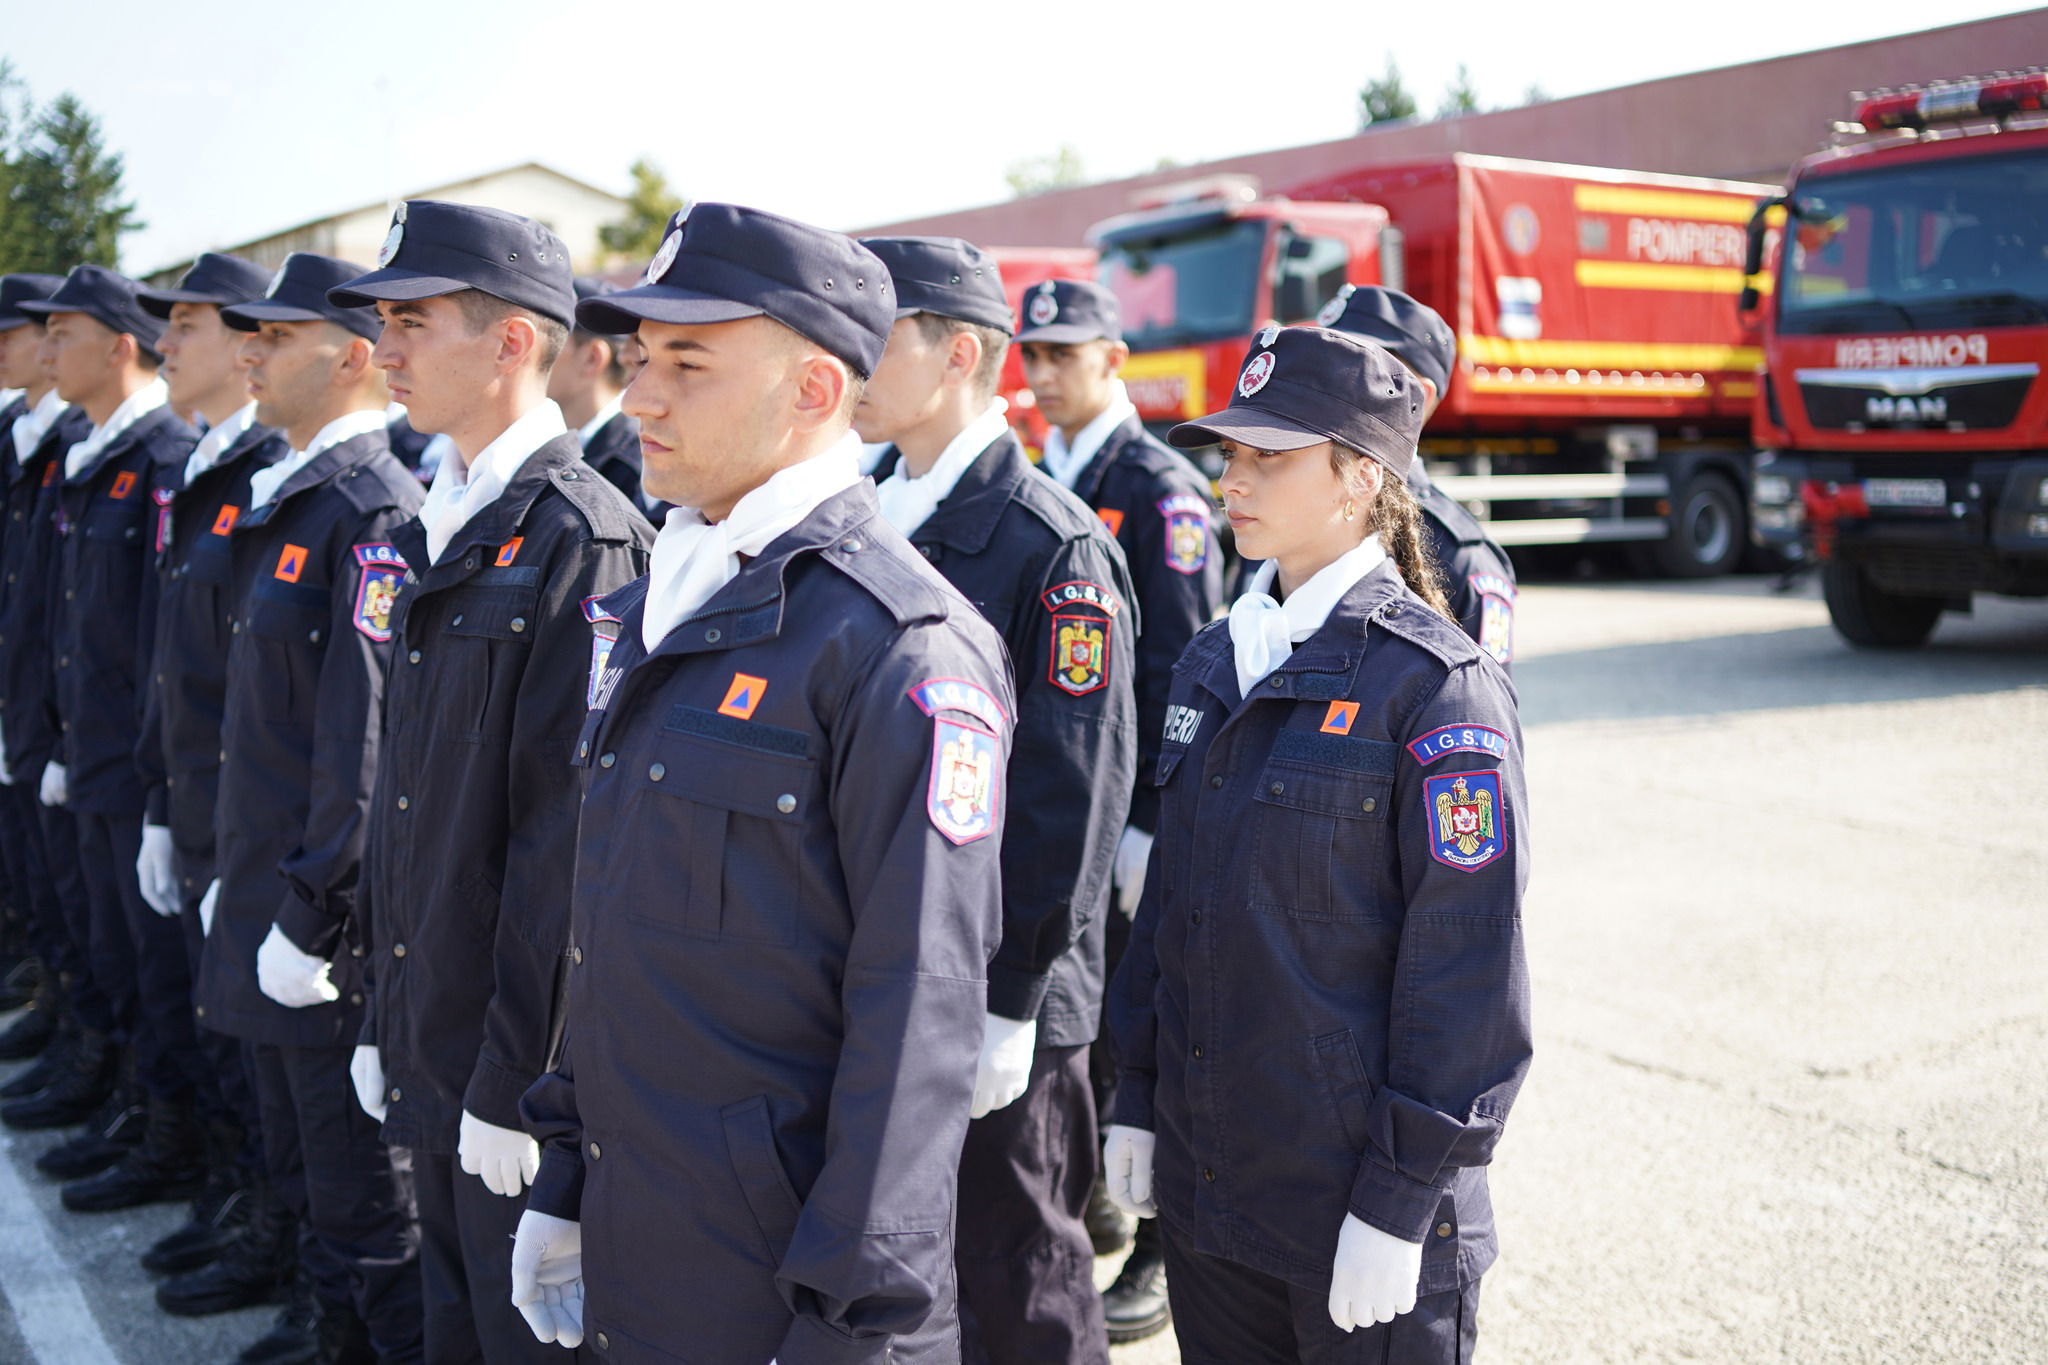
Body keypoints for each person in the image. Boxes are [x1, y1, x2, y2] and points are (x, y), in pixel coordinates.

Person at [513, 204, 1012, 1364]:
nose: (640, 395)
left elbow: (920, 1011)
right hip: (647, 1236)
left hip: (784, 1288)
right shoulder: (663, 598)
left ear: (815, 393)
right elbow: (610, 928)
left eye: (688, 363)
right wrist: (567, 1169)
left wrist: (850, 1321)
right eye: (640, 358)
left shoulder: (899, 643)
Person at [1103, 324, 1531, 1365]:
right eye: (1229, 456)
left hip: (1354, 1202)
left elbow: (1465, 973)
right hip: (1214, 1191)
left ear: (1358, 478)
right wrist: (1135, 1100)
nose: (1231, 482)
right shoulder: (1217, 656)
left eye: (1267, 458)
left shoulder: (1432, 686)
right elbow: (1170, 912)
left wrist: (1399, 1198)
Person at [329, 201, 651, 1364]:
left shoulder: (582, 538)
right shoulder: (443, 517)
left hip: (509, 1077)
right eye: (382, 323)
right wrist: (383, 1014)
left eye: (412, 321)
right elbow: (415, 803)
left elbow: (563, 845)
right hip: (433, 1031)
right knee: (449, 1324)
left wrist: (516, 1075)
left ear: (513, 342)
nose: (386, 349)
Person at [856, 235, 1136, 1365]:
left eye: (874, 342)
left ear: (958, 352)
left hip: (996, 988)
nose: (847, 363)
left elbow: (1071, 788)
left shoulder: (1049, 544)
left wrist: (1013, 996)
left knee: (1021, 1273)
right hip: (889, 962)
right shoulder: (868, 511)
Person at [178, 250, 427, 1364]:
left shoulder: (370, 511)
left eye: (276, 338)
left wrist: (315, 913)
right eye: (251, 334)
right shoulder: (288, 498)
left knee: (362, 1185)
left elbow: (362, 743)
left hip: (317, 926)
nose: (250, 351)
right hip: (263, 885)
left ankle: (360, 1338)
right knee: (301, 1155)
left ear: (354, 358)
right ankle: (327, 1325)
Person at [1014, 275, 1222, 1341]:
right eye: (1032, 355)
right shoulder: (1041, 474)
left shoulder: (1158, 489)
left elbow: (1183, 670)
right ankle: (1091, 1187)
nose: (1043, 374)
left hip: (1131, 809)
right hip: (1064, 801)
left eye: (1065, 354)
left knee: (1140, 1022)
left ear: (1113, 359)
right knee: (1075, 1011)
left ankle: (1156, 1242)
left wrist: (1151, 820)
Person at [11, 271, 208, 1213]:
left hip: (135, 771)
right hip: (75, 750)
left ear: (115, 345)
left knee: (151, 964)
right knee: (97, 936)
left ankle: (171, 1133)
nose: (45, 355)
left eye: (62, 335)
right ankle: (120, 1090)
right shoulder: (85, 455)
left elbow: (156, 638)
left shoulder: (165, 458)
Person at [120, 252, 290, 1249]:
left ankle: (263, 1227)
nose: (165, 346)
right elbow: (173, 660)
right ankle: (231, 1198)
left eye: (189, 327)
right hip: (191, 810)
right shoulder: (208, 468)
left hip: (249, 835)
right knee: (192, 1019)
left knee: (262, 1068)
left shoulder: (281, 480)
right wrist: (158, 801)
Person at [1315, 286, 1517, 669]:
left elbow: (1478, 709)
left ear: (1418, 399)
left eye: (1355, 369)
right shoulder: (1289, 507)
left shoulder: (1460, 557)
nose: (1327, 385)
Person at [0, 274, 93, 1089]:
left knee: (92, 909)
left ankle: (107, 1064)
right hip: (29, 705)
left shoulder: (101, 447)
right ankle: (61, 1011)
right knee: (45, 884)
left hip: (86, 735)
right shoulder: (23, 436)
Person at [549, 275, 649, 507]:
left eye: (551, 338)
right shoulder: (552, 448)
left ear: (592, 358)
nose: (531, 353)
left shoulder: (639, 462)